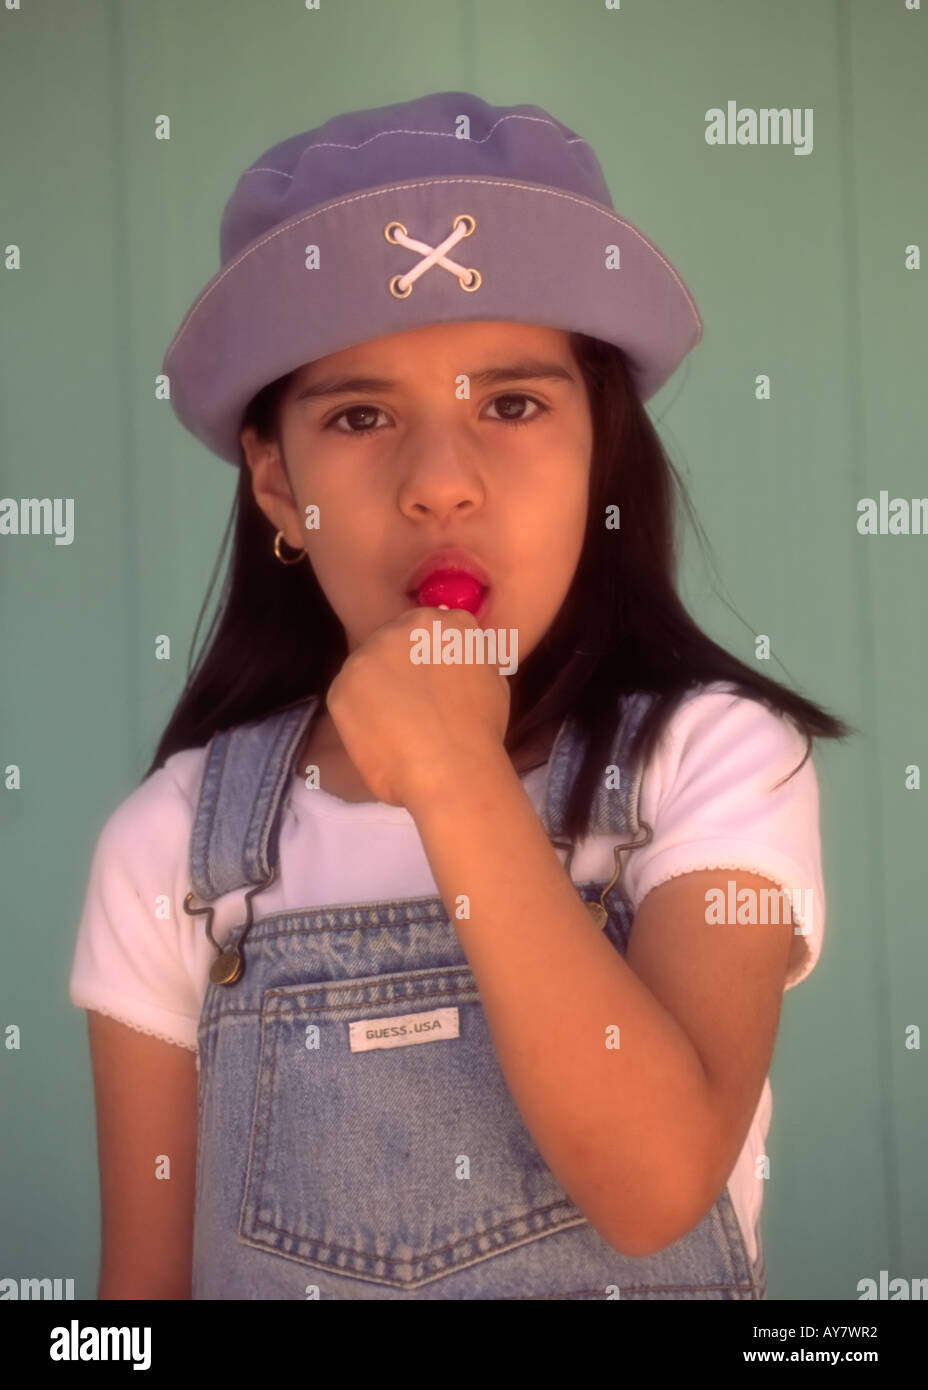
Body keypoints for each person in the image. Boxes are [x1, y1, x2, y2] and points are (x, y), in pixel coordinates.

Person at [70, 91, 854, 1300]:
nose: (441, 482)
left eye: (513, 403)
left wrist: (451, 776)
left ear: (602, 442)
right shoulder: (169, 849)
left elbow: (655, 1186)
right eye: (362, 415)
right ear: (279, 485)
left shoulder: (713, 764)